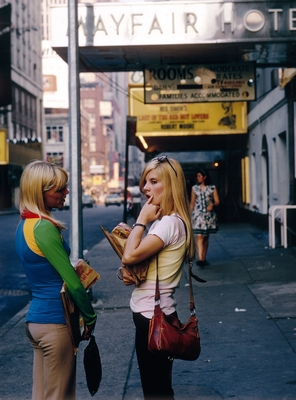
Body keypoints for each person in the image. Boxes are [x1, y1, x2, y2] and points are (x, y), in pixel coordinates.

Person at [15, 160, 97, 400]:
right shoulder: (44, 228)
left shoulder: (24, 226)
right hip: (56, 325)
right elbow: (71, 282)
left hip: (36, 323)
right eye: (60, 189)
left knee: (41, 395)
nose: (66, 192)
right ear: (40, 192)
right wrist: (90, 316)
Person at [121, 156, 195, 399]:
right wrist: (130, 272)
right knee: (159, 386)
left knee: (155, 391)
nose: (145, 188)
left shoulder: (167, 224)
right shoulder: (170, 221)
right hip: (158, 312)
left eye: (153, 181)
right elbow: (142, 263)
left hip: (152, 317)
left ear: (170, 185)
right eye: (145, 181)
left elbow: (130, 255)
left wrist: (141, 219)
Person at [189, 168, 220, 267]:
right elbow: (192, 203)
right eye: (197, 176)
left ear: (205, 177)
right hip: (198, 215)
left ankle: (204, 257)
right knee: (199, 236)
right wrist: (189, 215)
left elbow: (217, 201)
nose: (197, 178)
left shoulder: (212, 188)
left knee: (206, 237)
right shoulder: (194, 188)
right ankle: (200, 259)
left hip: (208, 215)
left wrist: (213, 205)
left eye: (199, 176)